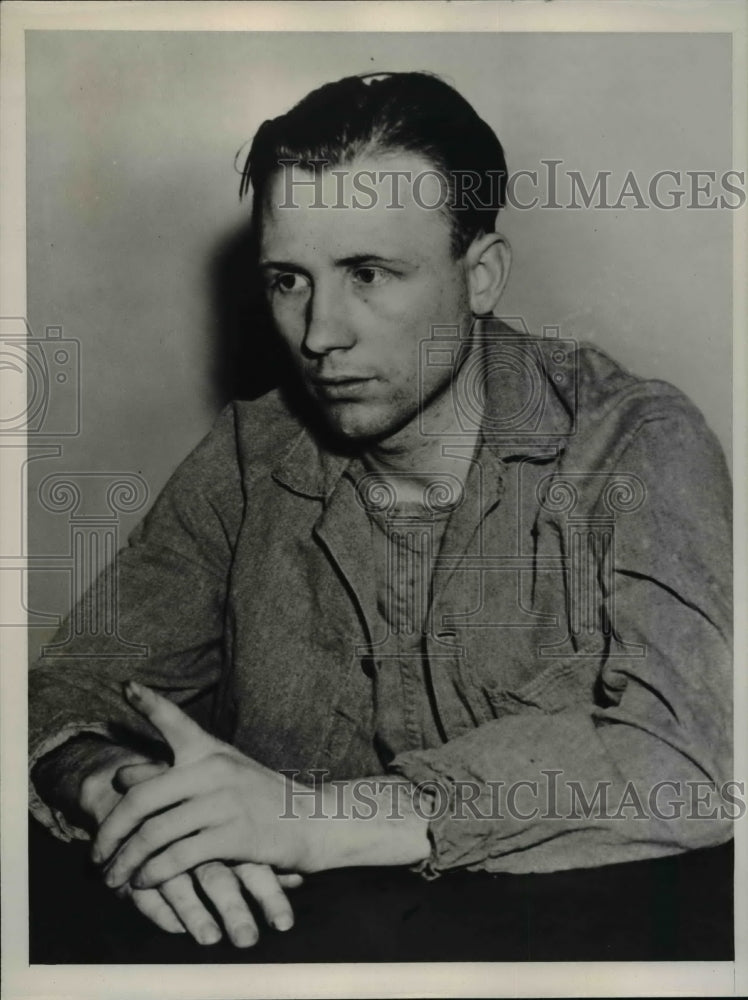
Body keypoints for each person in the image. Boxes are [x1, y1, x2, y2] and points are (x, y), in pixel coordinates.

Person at [29, 71, 733, 951]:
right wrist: (129, 796)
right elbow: (63, 688)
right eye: (289, 280)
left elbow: (697, 764)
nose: (321, 334)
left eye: (369, 272)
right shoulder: (251, 453)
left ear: (481, 276)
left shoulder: (636, 442)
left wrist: (315, 819)